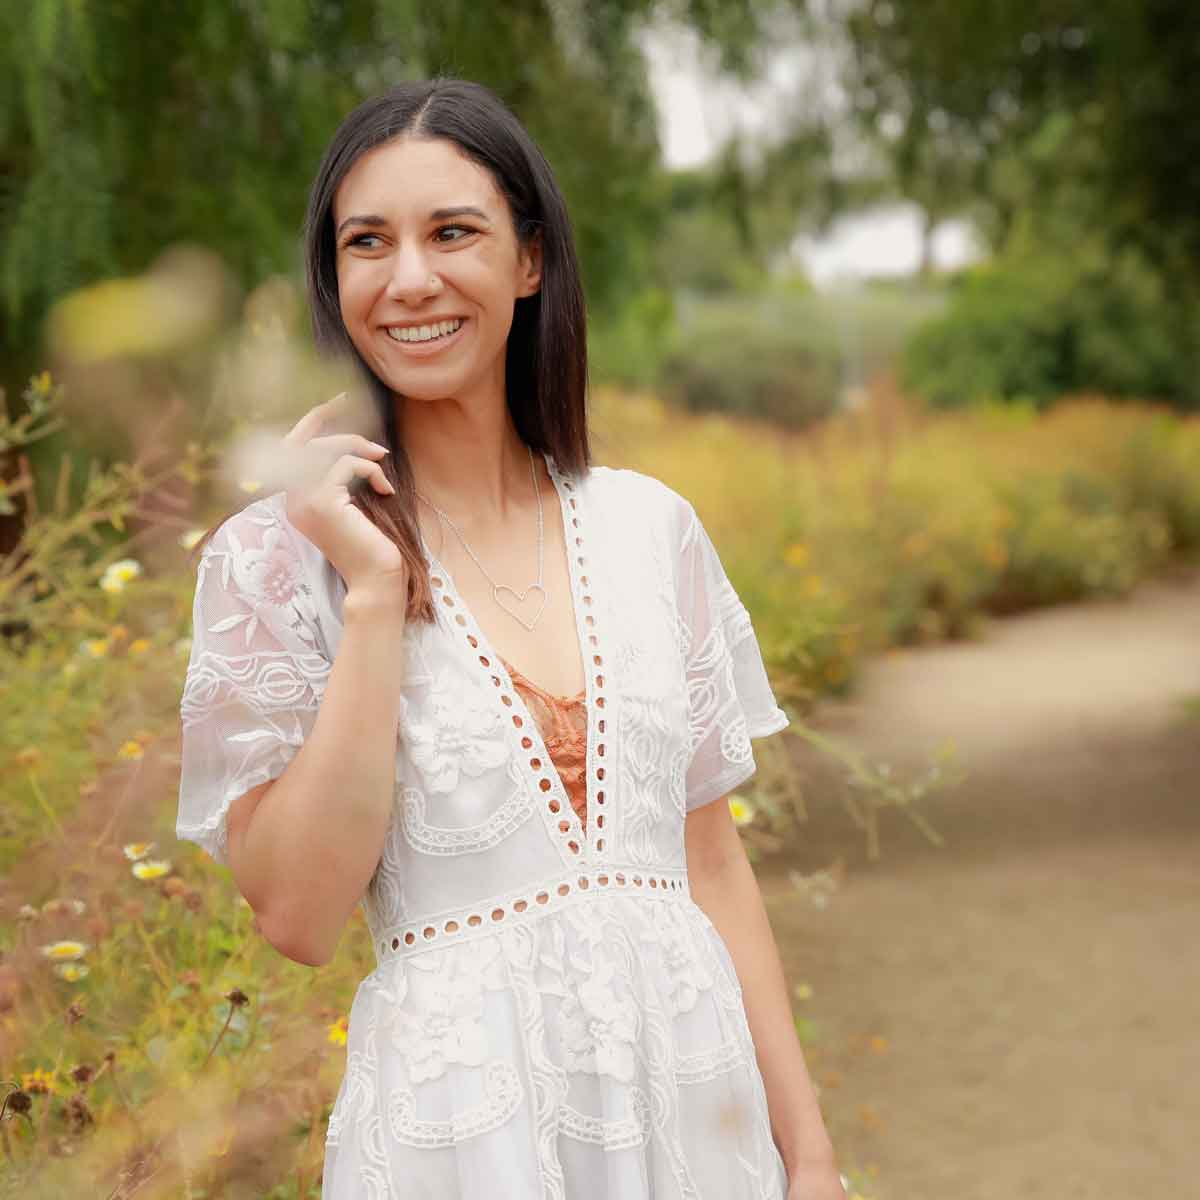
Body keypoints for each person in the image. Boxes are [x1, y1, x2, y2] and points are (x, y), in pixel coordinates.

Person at [177, 77, 845, 1199]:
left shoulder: (648, 528)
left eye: (453, 233)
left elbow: (711, 866)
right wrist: (376, 588)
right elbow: (296, 911)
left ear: (529, 260)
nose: (410, 280)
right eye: (367, 243)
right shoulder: (274, 560)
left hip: (694, 1120)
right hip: (462, 1138)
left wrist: (809, 1153)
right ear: (333, 280)